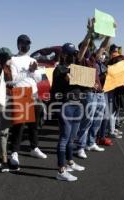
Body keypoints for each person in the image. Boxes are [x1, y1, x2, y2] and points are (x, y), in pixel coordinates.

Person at [76, 18, 115, 159]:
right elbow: (85, 45)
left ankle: (90, 142)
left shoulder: (93, 59)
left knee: (97, 119)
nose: (90, 50)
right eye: (88, 48)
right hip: (88, 94)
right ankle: (80, 146)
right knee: (87, 120)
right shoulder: (80, 59)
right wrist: (90, 32)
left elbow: (103, 47)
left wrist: (111, 33)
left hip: (98, 93)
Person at [9, 34, 47, 171]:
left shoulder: (32, 59)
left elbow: (37, 79)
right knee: (19, 126)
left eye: (28, 43)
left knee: (34, 125)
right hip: (21, 93)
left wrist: (34, 71)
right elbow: (12, 80)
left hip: (34, 93)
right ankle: (14, 153)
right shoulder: (12, 60)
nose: (26, 46)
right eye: (24, 43)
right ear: (18, 44)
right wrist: (28, 72)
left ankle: (34, 147)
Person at [51, 43, 85, 181]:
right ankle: (61, 170)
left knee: (72, 137)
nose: (73, 56)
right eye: (70, 54)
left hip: (77, 104)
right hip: (65, 105)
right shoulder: (59, 69)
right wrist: (69, 76)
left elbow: (82, 84)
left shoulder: (76, 69)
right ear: (63, 54)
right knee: (64, 138)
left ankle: (70, 162)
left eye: (74, 54)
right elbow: (61, 85)